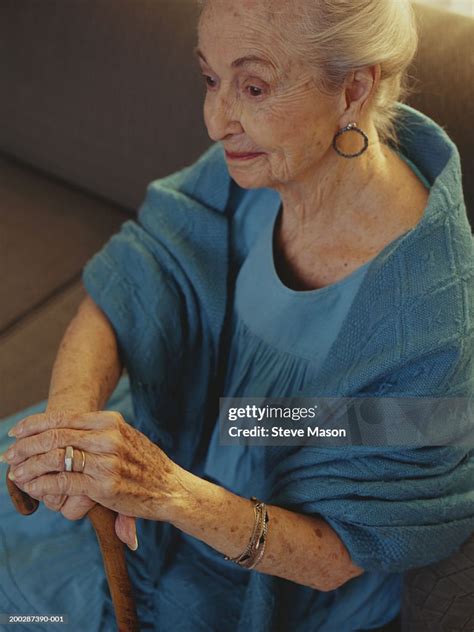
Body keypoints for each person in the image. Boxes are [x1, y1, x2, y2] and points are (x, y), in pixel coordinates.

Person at [0, 0, 472, 630]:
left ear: (354, 89)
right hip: (163, 448)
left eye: (253, 87)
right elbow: (131, 285)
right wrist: (71, 430)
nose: (217, 119)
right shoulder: (249, 169)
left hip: (262, 568)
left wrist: (166, 492)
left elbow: (337, 556)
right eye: (210, 79)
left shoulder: (426, 323)